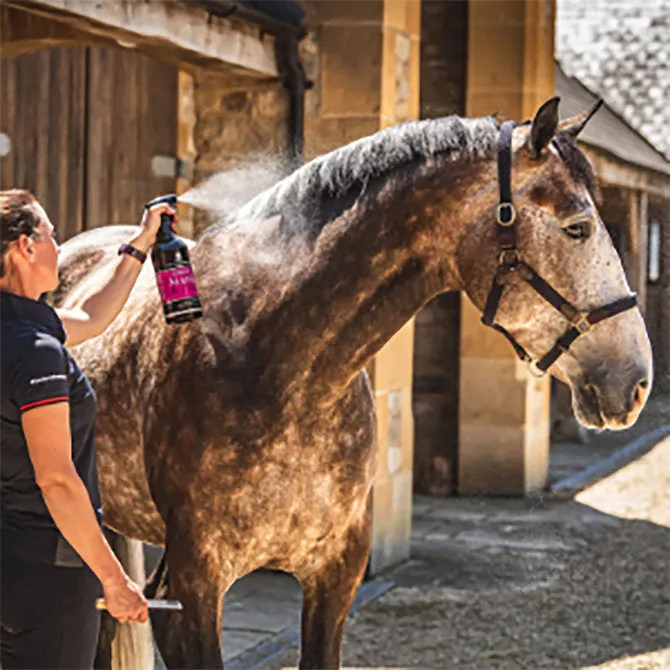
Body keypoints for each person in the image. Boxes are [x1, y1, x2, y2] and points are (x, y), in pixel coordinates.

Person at [0, 188, 175, 669]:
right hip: (45, 573)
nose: (59, 246)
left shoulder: (28, 329)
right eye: (51, 235)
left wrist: (140, 245)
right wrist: (114, 580)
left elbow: (93, 317)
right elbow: (56, 480)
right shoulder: (35, 350)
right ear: (25, 246)